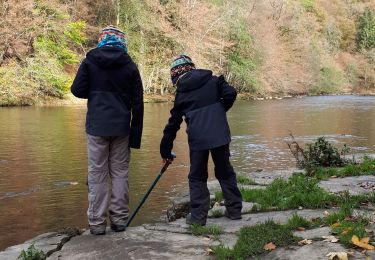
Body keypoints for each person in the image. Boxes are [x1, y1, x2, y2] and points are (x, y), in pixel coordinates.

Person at [71, 26, 144, 235]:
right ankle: (119, 220)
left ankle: (97, 223)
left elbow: (77, 90)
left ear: (101, 40)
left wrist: (95, 91)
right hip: (122, 128)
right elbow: (138, 104)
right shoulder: (130, 65)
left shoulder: (90, 61)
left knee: (97, 174)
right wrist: (135, 136)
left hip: (96, 127)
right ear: (122, 42)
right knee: (120, 174)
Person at [160, 55, 242, 226]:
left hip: (198, 139)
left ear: (176, 77)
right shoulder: (213, 80)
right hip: (220, 133)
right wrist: (219, 111)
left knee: (197, 176)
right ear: (192, 68)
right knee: (225, 171)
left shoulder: (181, 94)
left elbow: (173, 124)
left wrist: (165, 151)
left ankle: (198, 217)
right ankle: (234, 211)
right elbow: (231, 93)